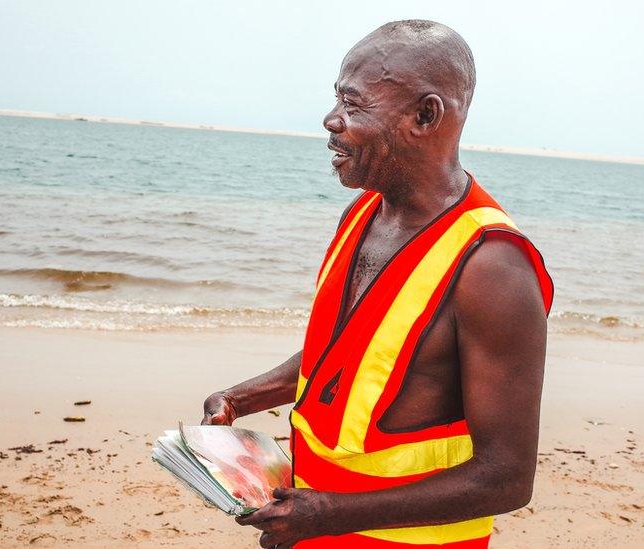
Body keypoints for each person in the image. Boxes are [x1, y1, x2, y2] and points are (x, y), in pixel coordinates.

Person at [201, 19, 554, 548]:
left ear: (424, 115)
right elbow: (355, 355)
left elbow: (505, 478)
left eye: (353, 102)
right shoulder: (363, 212)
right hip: (314, 526)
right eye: (336, 99)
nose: (331, 119)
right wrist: (241, 397)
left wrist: (326, 514)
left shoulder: (493, 267)